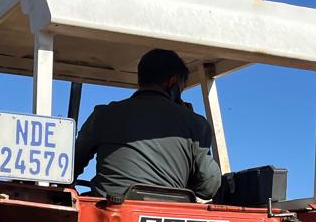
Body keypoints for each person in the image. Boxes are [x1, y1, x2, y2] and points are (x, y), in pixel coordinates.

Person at [74, 48, 223, 200]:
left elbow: (71, 164)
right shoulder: (195, 123)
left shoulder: (103, 115)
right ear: (172, 83)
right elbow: (209, 186)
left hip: (111, 215)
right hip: (170, 216)